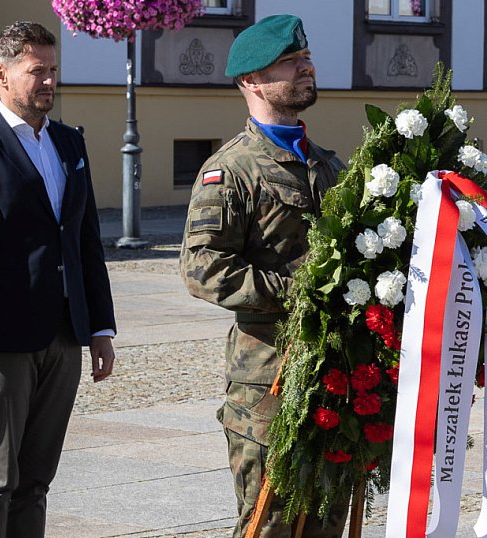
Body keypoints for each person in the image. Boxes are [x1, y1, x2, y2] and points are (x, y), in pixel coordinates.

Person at [0, 20, 117, 537]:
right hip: (2, 341)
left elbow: (86, 241)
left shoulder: (69, 144)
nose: (50, 82)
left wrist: (99, 325)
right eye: (38, 71)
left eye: (54, 70)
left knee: (36, 479)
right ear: (2, 74)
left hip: (63, 333)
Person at [180, 15, 350, 537]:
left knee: (326, 522)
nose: (307, 67)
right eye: (291, 61)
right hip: (267, 381)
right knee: (268, 524)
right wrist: (298, 293)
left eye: (306, 57)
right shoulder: (231, 170)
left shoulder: (329, 166)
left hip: (335, 376)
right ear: (251, 80)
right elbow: (202, 266)